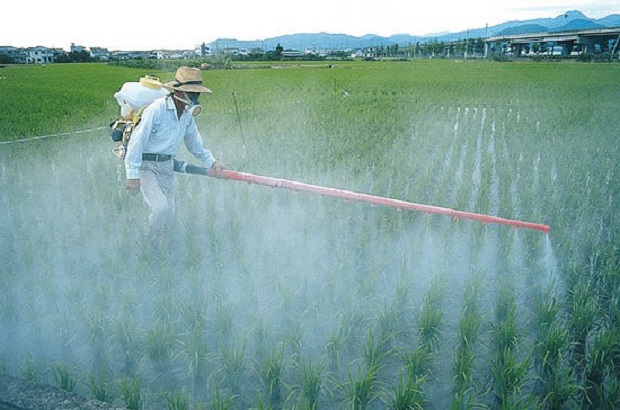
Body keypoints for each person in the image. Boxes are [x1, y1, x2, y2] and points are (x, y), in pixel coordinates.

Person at [125, 66, 225, 247]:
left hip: (166, 166)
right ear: (178, 91)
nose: (194, 98)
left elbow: (195, 144)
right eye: (191, 93)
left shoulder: (187, 115)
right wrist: (132, 175)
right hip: (146, 166)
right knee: (160, 208)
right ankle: (151, 245)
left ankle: (165, 244)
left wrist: (213, 162)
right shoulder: (157, 109)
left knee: (169, 210)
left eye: (197, 95)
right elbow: (136, 141)